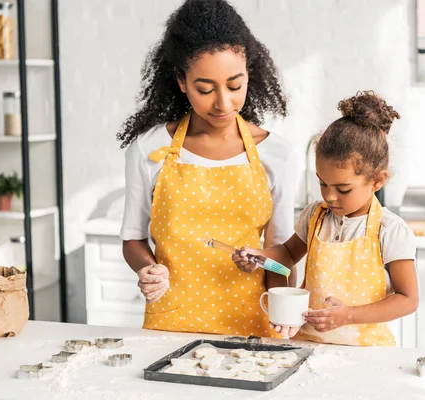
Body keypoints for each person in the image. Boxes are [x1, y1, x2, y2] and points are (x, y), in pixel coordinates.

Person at [117, 0, 296, 337]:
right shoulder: (147, 150)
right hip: (169, 326)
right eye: (205, 88)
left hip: (252, 327)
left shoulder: (277, 154)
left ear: (249, 76)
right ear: (181, 81)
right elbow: (133, 240)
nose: (223, 103)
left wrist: (284, 305)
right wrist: (149, 269)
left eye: (234, 85)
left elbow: (282, 254)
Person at [233, 91, 418, 346]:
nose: (329, 196)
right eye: (322, 183)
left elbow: (408, 298)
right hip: (309, 343)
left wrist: (349, 315)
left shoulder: (390, 230)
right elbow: (288, 254)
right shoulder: (315, 216)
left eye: (343, 189)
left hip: (366, 351)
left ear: (377, 180)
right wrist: (258, 256)